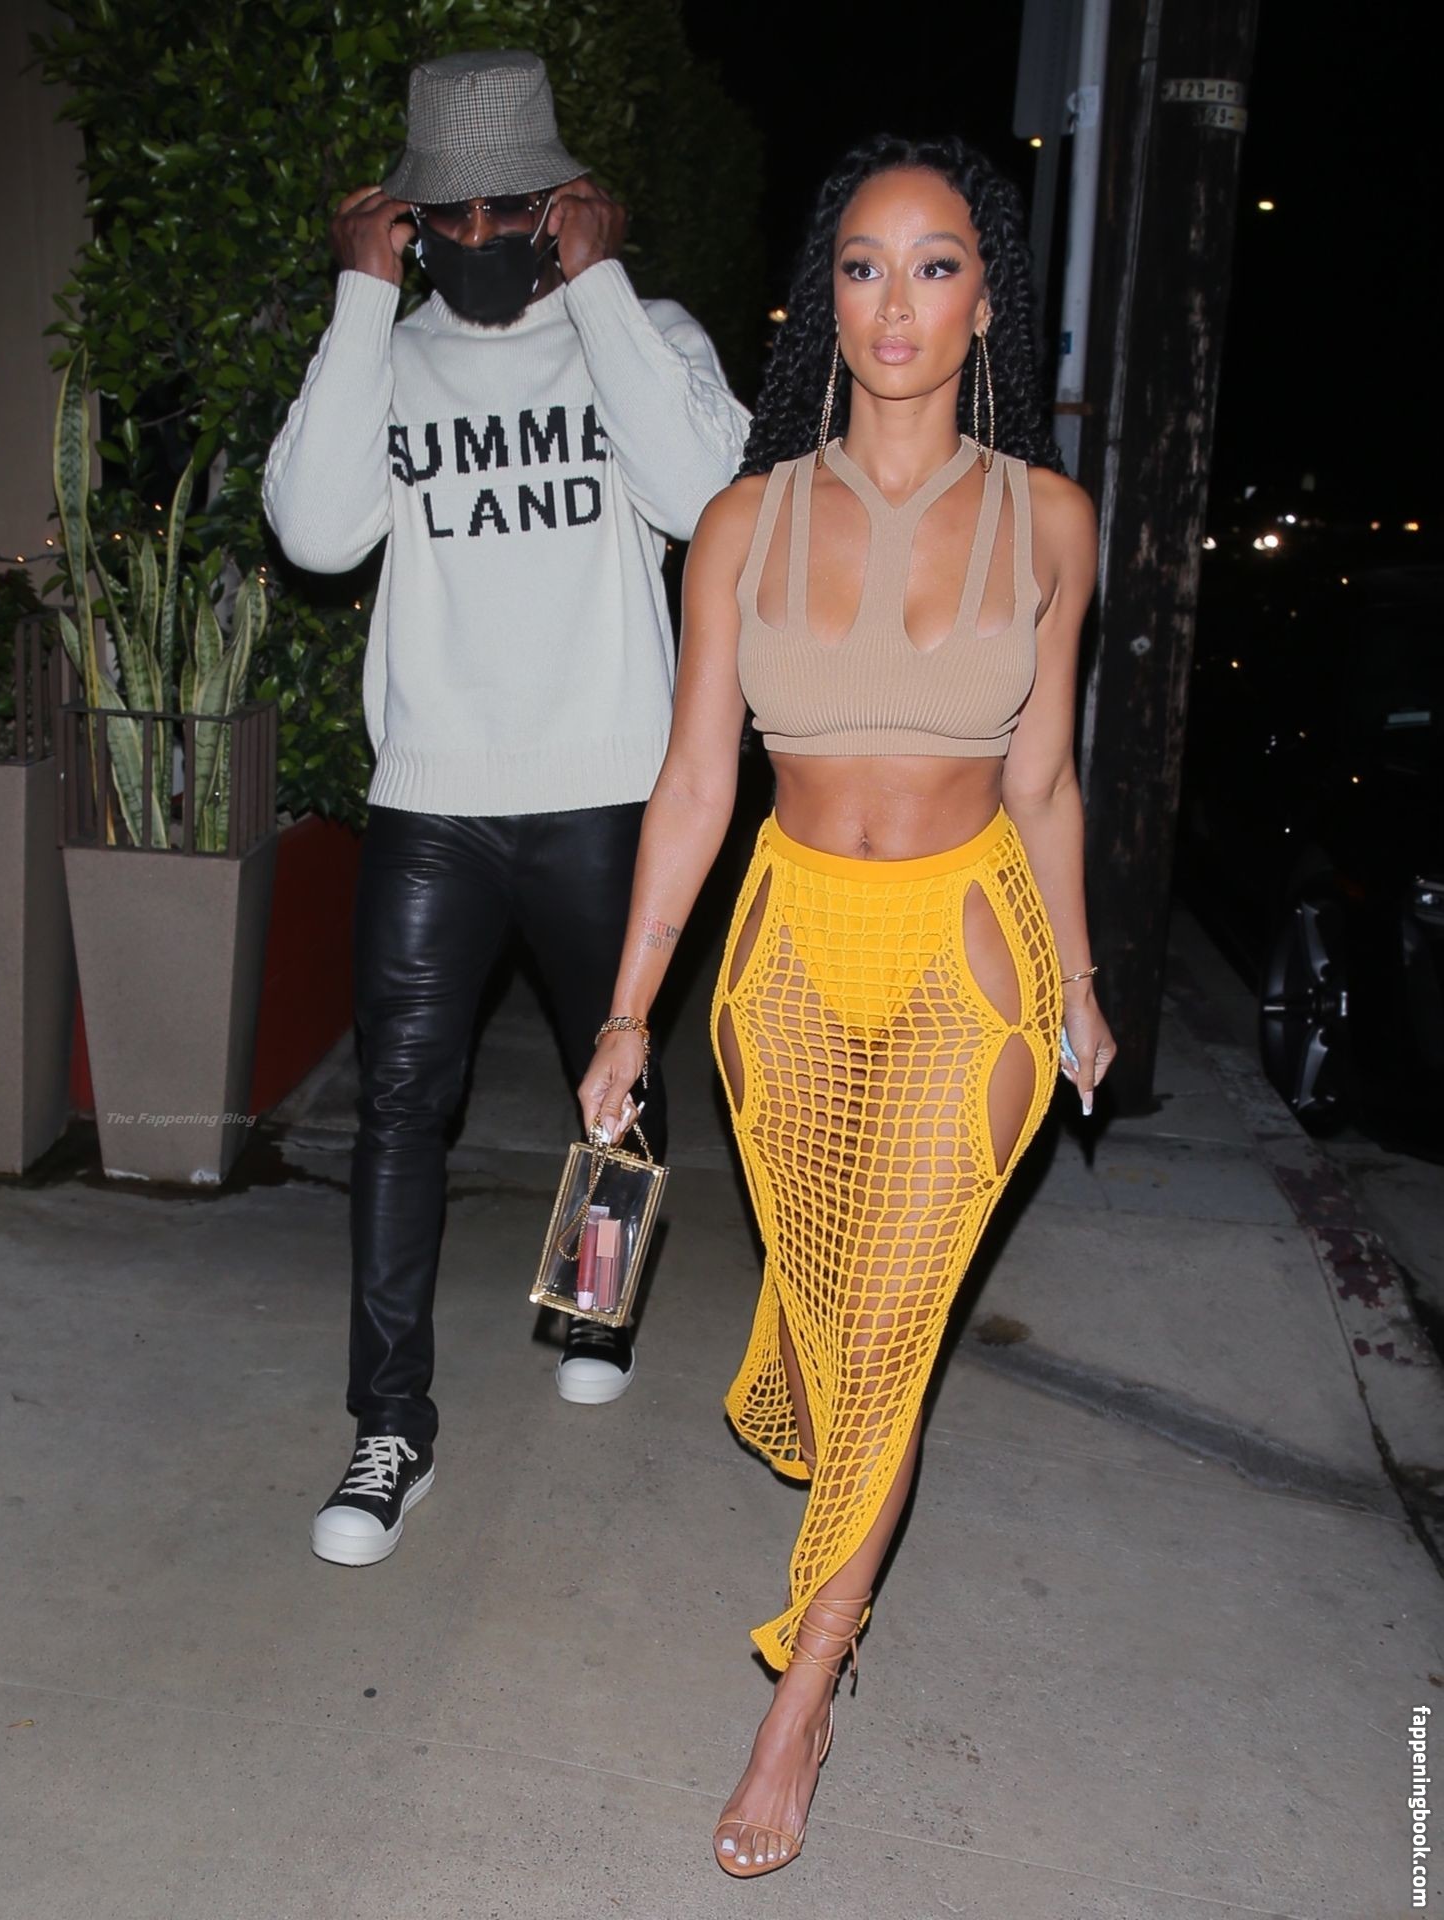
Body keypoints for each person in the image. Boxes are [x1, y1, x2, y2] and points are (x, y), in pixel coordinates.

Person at [577, 133, 1115, 1877]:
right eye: (865, 266)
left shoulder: (1050, 519)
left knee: (890, 1331)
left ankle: (798, 1698)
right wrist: (628, 1012)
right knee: (828, 1318)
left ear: (987, 302)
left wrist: (1081, 982)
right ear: (826, 296)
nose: (898, 302)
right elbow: (693, 784)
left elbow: (1044, 780)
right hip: (789, 958)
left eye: (937, 265)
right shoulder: (742, 522)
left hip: (973, 956)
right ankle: (837, 1521)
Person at [263, 49, 749, 1569]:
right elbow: (314, 530)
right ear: (409, 223)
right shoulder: (392, 352)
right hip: (436, 798)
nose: (478, 236)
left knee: (620, 1079)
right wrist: (359, 304)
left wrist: (598, 289)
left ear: (559, 206)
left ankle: (597, 1303)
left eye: (506, 208)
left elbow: (708, 495)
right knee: (401, 1108)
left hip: (607, 790)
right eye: (446, 215)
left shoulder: (641, 331)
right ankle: (389, 1427)